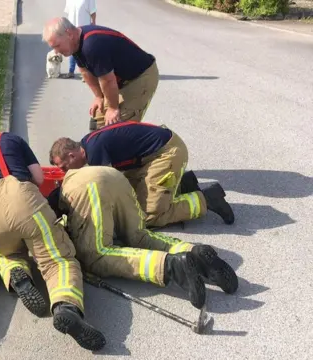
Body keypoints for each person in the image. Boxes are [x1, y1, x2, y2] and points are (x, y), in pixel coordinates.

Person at [0, 113, 106, 351]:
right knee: (57, 259)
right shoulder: (12, 140)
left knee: (7, 253)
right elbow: (39, 178)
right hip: (24, 204)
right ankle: (66, 307)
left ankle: (18, 275)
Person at [45, 166, 238, 310]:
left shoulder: (55, 198)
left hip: (89, 189)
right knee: (138, 235)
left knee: (96, 255)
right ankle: (191, 251)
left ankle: (172, 266)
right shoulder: (74, 173)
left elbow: (57, 235)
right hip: (115, 177)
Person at [48, 121, 235, 229]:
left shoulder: (96, 152)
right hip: (150, 156)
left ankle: (207, 199)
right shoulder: (88, 143)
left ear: (72, 155)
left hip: (166, 153)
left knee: (149, 216)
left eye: (65, 167)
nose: (67, 172)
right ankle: (183, 184)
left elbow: (107, 190)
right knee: (133, 201)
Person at [42, 17, 159, 130]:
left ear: (69, 34)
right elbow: (85, 71)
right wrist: (99, 96)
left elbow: (108, 81)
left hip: (141, 76)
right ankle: (97, 148)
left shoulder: (92, 45)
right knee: (98, 119)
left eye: (57, 46)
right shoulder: (75, 44)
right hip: (120, 80)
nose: (56, 51)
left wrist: (113, 108)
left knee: (119, 125)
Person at [63, 0, 97, 79]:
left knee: (84, 50)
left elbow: (93, 11)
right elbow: (68, 13)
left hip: (84, 29)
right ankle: (71, 71)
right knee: (72, 50)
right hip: (71, 28)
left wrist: (94, 23)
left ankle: (86, 74)